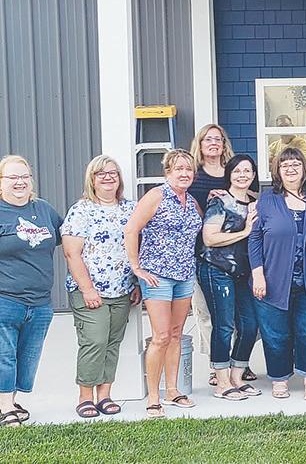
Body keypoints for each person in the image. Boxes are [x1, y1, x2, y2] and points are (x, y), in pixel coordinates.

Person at [0, 155, 63, 427]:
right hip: (0, 299)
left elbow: (66, 236)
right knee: (2, 356)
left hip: (39, 302)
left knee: (26, 357)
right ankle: (6, 408)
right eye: (13, 177)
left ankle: (12, 401)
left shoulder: (44, 210)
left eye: (24, 176)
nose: (20, 182)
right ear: (0, 182)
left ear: (31, 180)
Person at [249, 148, 306, 401]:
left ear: (304, 169)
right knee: (276, 334)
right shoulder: (267, 200)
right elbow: (254, 238)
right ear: (277, 171)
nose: (290, 169)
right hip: (274, 279)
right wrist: (258, 275)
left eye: (296, 164)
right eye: (285, 165)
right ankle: (280, 379)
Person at [124, 149, 202, 418]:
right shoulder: (156, 196)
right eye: (178, 168)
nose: (184, 173)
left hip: (185, 275)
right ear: (167, 172)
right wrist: (136, 267)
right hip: (158, 275)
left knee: (176, 334)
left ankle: (172, 390)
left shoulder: (191, 201)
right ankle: (153, 397)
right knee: (161, 336)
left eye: (188, 169)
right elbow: (131, 229)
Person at [62, 155, 138, 418]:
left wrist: (136, 282)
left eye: (113, 173)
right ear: (91, 179)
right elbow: (71, 253)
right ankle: (85, 397)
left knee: (112, 342)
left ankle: (105, 395)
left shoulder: (130, 209)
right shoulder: (81, 210)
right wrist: (88, 289)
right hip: (90, 290)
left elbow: (138, 247)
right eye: (100, 173)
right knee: (94, 341)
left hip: (122, 289)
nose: (107, 177)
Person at [186, 124, 248, 385]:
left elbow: (247, 196)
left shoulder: (233, 171)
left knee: (241, 317)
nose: (213, 143)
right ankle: (217, 366)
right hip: (203, 254)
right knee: (208, 313)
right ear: (200, 144)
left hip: (236, 254)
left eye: (218, 139)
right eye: (208, 139)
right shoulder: (193, 175)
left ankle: (238, 362)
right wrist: (208, 204)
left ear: (224, 144)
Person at [198, 155, 262, 401]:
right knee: (223, 325)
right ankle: (222, 382)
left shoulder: (256, 204)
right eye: (237, 171)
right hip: (217, 268)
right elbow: (210, 238)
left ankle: (237, 376)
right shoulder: (220, 202)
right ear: (230, 175)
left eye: (247, 171)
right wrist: (245, 231)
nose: (242, 175)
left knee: (250, 325)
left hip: (243, 273)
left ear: (253, 175)